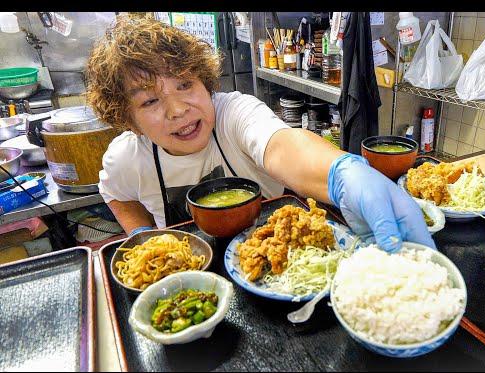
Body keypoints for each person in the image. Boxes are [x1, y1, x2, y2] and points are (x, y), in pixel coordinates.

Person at [86, 14, 434, 253]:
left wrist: (343, 173)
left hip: (276, 260)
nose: (177, 109)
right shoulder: (127, 158)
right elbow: (116, 194)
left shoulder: (233, 113)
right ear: (128, 119)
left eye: (185, 84)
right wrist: (142, 236)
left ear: (206, 83)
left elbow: (285, 146)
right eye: (150, 100)